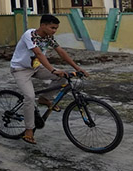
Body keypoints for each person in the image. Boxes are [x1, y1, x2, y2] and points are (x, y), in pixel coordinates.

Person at [10, 14, 89, 145]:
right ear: (43, 25)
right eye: (52, 28)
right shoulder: (30, 35)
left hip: (36, 68)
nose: (54, 31)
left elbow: (61, 52)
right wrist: (53, 70)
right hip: (20, 69)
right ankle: (29, 130)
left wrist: (77, 68)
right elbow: (39, 54)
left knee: (63, 77)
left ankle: (45, 98)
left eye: (56, 28)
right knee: (29, 97)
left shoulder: (48, 37)